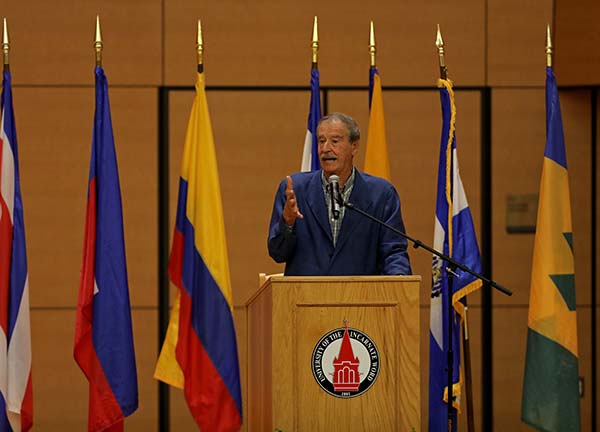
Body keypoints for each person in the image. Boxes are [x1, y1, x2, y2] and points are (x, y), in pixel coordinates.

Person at [267, 112, 411, 276]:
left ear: (354, 146)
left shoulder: (381, 194)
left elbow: (394, 252)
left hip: (361, 292)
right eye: (321, 141)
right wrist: (287, 222)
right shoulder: (294, 190)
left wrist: (399, 281)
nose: (325, 148)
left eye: (335, 141)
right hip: (305, 292)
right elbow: (277, 253)